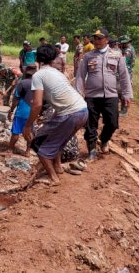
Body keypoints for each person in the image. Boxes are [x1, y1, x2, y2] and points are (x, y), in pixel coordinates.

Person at [23, 45, 89, 185]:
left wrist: (28, 126)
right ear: (53, 58)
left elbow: (37, 104)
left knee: (39, 146)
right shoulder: (58, 73)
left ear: (36, 58)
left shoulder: (38, 75)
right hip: (82, 110)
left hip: (70, 113)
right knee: (57, 141)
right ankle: (58, 167)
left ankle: (53, 178)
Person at [75, 28, 133, 161]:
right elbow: (80, 76)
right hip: (92, 96)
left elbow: (124, 76)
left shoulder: (117, 55)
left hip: (111, 95)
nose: (96, 41)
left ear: (106, 39)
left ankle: (104, 139)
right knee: (90, 125)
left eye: (99, 38)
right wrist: (78, 94)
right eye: (95, 38)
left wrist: (126, 95)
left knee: (112, 123)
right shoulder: (88, 56)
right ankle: (92, 150)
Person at [7, 66, 35, 156]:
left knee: (16, 131)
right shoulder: (38, 84)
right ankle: (27, 151)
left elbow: (16, 99)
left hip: (21, 111)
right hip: (33, 112)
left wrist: (11, 110)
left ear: (25, 72)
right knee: (29, 132)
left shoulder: (22, 83)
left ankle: (10, 149)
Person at [119, 35, 136, 116]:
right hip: (127, 71)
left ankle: (124, 110)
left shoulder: (128, 50)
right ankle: (123, 109)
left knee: (124, 90)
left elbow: (123, 61)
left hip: (127, 72)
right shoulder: (127, 48)